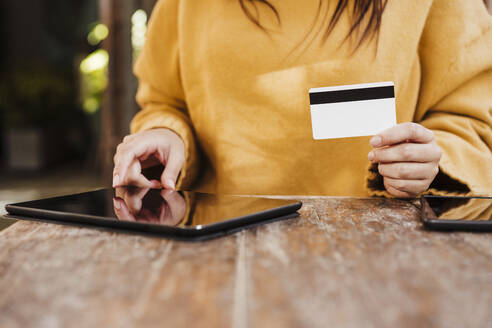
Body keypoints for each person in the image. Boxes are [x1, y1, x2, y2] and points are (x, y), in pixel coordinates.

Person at [113, 0, 492, 197]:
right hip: (219, 249)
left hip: (384, 257)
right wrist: (168, 136)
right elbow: (164, 102)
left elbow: (473, 117)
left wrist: (430, 162)